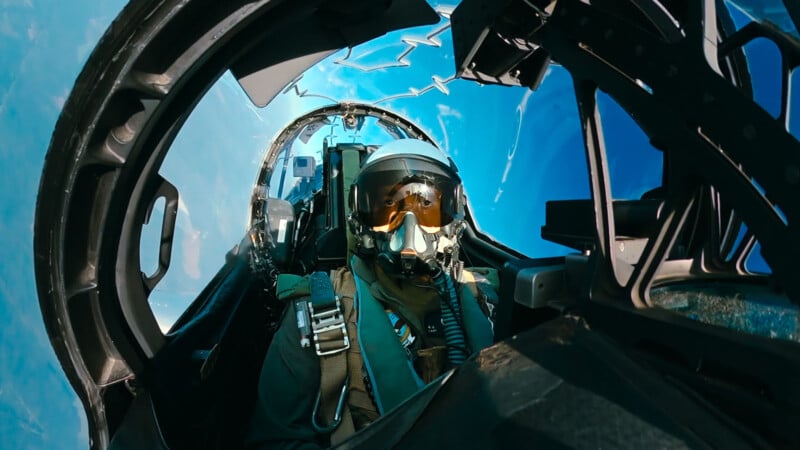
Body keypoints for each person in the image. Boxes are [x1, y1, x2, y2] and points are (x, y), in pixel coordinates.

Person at [246, 139, 497, 449]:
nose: (410, 227)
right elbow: (273, 442)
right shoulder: (314, 313)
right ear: (361, 220)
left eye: (427, 206)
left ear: (453, 219)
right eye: (388, 207)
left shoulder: (489, 296)